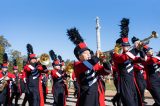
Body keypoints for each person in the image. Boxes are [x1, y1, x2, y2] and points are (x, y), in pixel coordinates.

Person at [67, 27, 111, 106]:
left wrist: (104, 61)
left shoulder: (94, 64)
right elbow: (88, 64)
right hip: (86, 96)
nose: (89, 54)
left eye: (89, 52)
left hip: (97, 95)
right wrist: (97, 58)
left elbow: (107, 71)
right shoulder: (77, 65)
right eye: (86, 53)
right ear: (79, 56)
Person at [112, 18, 145, 106]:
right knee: (129, 102)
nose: (127, 47)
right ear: (120, 47)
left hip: (132, 81)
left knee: (136, 101)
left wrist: (141, 49)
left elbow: (142, 59)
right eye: (125, 46)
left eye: (128, 46)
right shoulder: (115, 55)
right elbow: (123, 58)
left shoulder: (129, 54)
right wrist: (135, 49)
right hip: (123, 81)